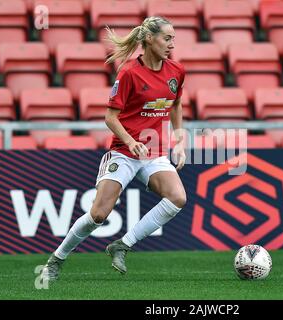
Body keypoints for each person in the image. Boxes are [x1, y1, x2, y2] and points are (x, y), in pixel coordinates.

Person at [41, 16, 187, 281]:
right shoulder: (130, 72)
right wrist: (131, 141)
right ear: (149, 40)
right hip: (124, 151)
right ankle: (57, 259)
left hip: (153, 151)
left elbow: (175, 105)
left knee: (178, 197)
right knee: (98, 214)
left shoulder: (176, 71)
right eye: (167, 38)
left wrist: (180, 140)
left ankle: (122, 244)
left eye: (173, 39)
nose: (171, 44)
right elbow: (110, 117)